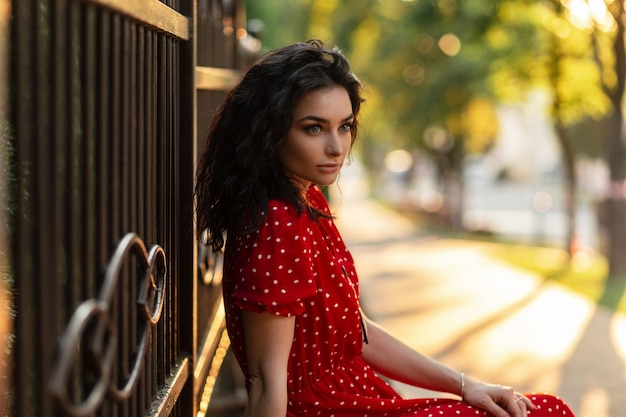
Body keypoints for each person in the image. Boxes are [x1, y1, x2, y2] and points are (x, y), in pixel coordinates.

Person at [194, 40, 576, 417]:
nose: (336, 147)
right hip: (327, 410)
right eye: (314, 129)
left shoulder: (307, 203)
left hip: (362, 398)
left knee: (536, 408)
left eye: (344, 127)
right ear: (270, 133)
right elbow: (266, 382)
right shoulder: (278, 222)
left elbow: (358, 335)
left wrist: (466, 385)